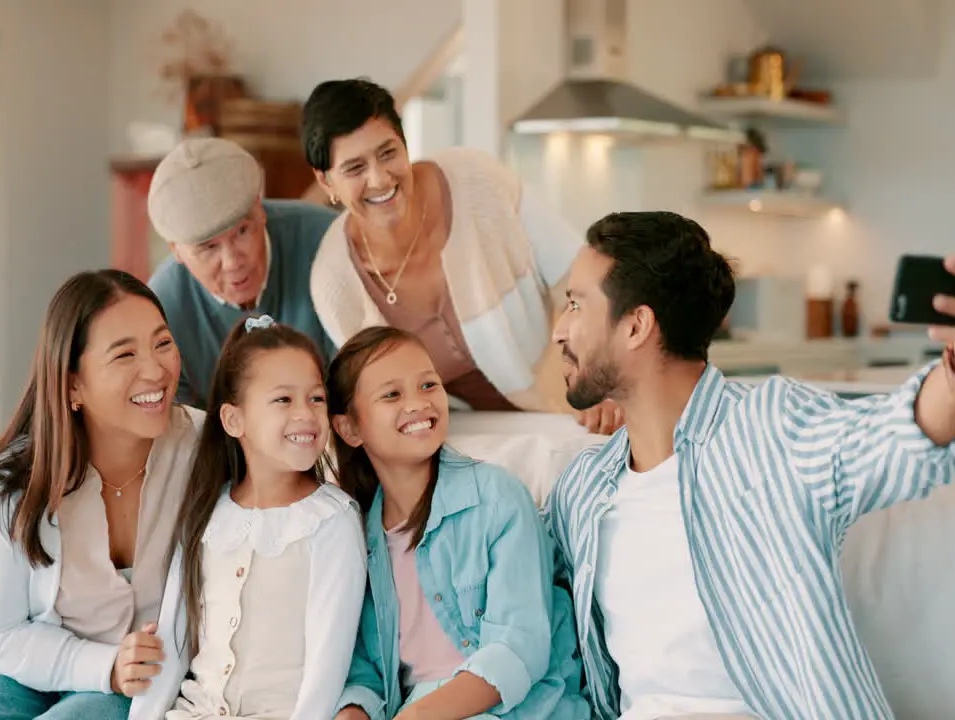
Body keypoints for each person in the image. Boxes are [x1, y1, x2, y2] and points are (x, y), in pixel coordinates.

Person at [544, 211, 955, 720]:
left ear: (636, 325)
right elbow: (511, 599)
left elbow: (895, 437)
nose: (559, 330)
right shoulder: (584, 489)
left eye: (575, 304)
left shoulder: (769, 430)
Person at [0, 269, 205, 720]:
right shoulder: (11, 484)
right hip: (16, 660)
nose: (155, 370)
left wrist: (118, 670)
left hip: (139, 670)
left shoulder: (207, 453)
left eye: (162, 343)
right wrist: (101, 665)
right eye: (124, 354)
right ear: (73, 383)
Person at [299, 77, 623, 434]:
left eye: (388, 153)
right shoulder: (333, 281)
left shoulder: (476, 179)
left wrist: (597, 380)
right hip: (456, 442)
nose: (379, 179)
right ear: (326, 181)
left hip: (571, 411)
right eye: (355, 168)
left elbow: (586, 283)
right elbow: (377, 397)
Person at [327, 326, 590, 720]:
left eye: (428, 385)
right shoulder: (356, 535)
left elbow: (518, 647)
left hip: (516, 706)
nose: (418, 403)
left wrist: (416, 717)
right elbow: (366, 664)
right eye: (392, 394)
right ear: (349, 427)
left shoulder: (497, 498)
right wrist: (353, 711)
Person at [130, 315, 367, 720]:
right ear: (233, 420)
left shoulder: (332, 521)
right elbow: (173, 638)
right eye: (283, 400)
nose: (306, 415)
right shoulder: (205, 515)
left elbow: (328, 664)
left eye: (316, 398)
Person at [146, 137, 339, 409]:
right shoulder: (161, 312)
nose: (232, 262)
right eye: (208, 247)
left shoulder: (330, 242)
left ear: (260, 208)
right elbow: (183, 430)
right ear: (176, 250)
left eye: (242, 231)